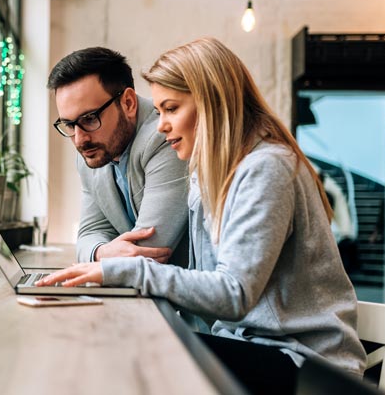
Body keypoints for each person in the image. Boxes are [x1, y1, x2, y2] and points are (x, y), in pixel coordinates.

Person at [39, 38, 366, 394]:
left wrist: (120, 268)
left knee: (132, 356)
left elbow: (234, 292)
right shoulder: (211, 174)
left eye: (171, 108)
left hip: (305, 363)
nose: (161, 126)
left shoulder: (267, 167)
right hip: (254, 345)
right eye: (160, 111)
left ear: (213, 104)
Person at [48, 47, 189, 265]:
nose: (79, 140)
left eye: (89, 118)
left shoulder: (167, 135)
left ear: (128, 103)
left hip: (184, 292)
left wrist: (101, 256)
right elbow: (89, 233)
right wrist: (101, 252)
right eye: (69, 124)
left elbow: (149, 251)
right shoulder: (94, 151)